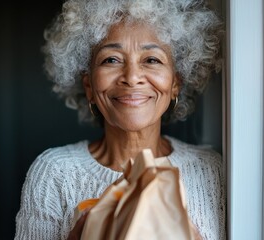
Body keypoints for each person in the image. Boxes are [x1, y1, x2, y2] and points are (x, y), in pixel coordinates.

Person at [15, 0, 225, 239]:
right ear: (89, 86)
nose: (132, 77)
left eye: (152, 60)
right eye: (111, 60)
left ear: (175, 83)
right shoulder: (55, 172)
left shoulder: (211, 170)